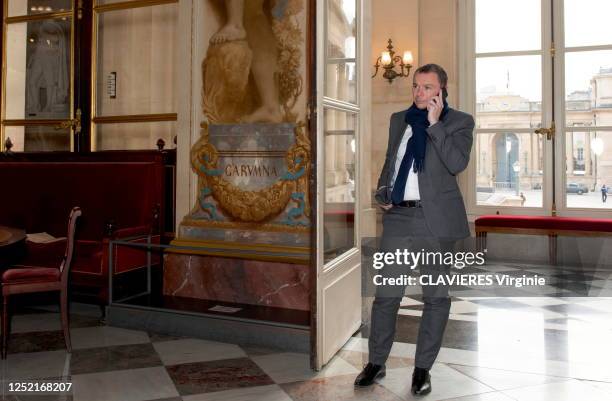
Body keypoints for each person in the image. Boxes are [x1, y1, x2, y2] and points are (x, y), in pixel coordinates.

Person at [356, 64, 474, 396]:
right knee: (386, 296)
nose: (419, 93)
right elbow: (391, 163)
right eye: (415, 86)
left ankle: (422, 369)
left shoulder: (460, 122)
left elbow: (456, 163)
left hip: (436, 222)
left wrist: (435, 126)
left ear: (442, 90)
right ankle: (376, 363)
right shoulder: (400, 120)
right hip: (398, 219)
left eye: (427, 87)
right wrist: (383, 191)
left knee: (435, 299)